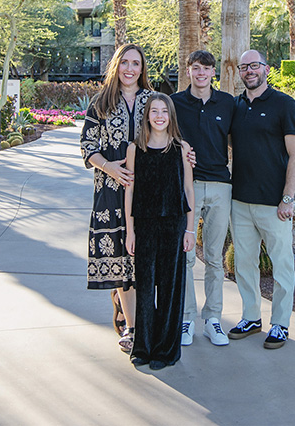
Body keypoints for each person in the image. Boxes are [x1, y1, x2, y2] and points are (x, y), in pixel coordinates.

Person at [227, 50, 295, 350]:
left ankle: (281, 324)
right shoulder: (235, 106)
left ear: (266, 69)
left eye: (254, 65)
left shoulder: (284, 105)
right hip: (240, 201)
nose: (249, 71)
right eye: (244, 67)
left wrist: (288, 198)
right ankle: (251, 317)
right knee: (245, 265)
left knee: (282, 265)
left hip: (275, 204)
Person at [80, 43, 153, 353]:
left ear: (142, 69)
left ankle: (149, 324)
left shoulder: (153, 100)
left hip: (148, 191)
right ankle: (132, 328)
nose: (130, 69)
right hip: (109, 191)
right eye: (125, 62)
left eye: (136, 63)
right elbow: (87, 146)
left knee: (145, 259)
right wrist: (109, 167)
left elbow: (170, 137)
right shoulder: (101, 102)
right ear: (116, 66)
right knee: (122, 261)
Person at [124, 94, 195, 370]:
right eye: (154, 111)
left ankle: (166, 350)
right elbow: (129, 191)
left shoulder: (181, 148)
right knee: (145, 287)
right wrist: (130, 232)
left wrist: (190, 229)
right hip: (144, 224)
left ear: (171, 116)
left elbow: (188, 190)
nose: (159, 116)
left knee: (169, 288)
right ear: (147, 116)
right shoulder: (135, 149)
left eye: (164, 111)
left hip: (173, 224)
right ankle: (143, 346)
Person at [172, 50, 234, 347]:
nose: (201, 74)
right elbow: (160, 134)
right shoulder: (175, 103)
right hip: (188, 185)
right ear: (189, 71)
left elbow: (241, 140)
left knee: (213, 258)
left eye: (206, 69)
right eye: (196, 68)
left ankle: (212, 319)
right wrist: (179, 145)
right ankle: (186, 318)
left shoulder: (227, 103)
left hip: (220, 185)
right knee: (184, 257)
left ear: (213, 73)